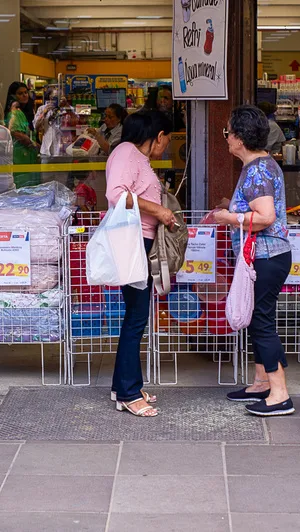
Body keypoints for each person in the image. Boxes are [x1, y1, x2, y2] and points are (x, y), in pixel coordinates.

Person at [213, 105, 294, 417]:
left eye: (228, 133)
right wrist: (231, 208)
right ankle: (261, 382)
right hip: (269, 255)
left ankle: (280, 393)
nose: (227, 139)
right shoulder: (262, 165)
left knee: (261, 322)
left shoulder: (257, 171)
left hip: (266, 255)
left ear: (240, 139)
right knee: (259, 318)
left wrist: (227, 216)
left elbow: (264, 217)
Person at [105, 110, 176, 417]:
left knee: (135, 315)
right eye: (168, 139)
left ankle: (122, 385)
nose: (167, 145)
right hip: (133, 242)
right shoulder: (126, 152)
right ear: (158, 135)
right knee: (136, 317)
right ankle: (129, 394)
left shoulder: (137, 157)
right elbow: (116, 195)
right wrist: (158, 211)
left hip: (140, 241)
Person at [4, 82, 39, 188]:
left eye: (25, 92)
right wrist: (33, 144)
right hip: (19, 157)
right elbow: (15, 132)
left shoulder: (25, 111)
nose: (24, 95)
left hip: (28, 157)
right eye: (20, 93)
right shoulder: (15, 112)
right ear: (13, 96)